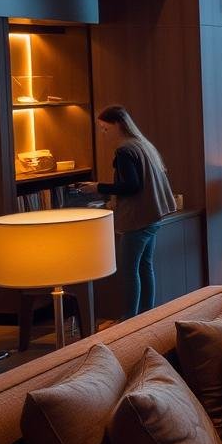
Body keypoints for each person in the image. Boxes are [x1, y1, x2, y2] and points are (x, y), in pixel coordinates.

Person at [80, 105, 175, 320]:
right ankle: (146, 317)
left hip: (137, 218)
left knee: (129, 270)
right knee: (144, 266)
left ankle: (129, 320)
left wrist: (98, 187)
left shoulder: (124, 150)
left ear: (118, 125)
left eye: (105, 129)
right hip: (152, 215)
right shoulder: (142, 145)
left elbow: (131, 186)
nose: (103, 135)